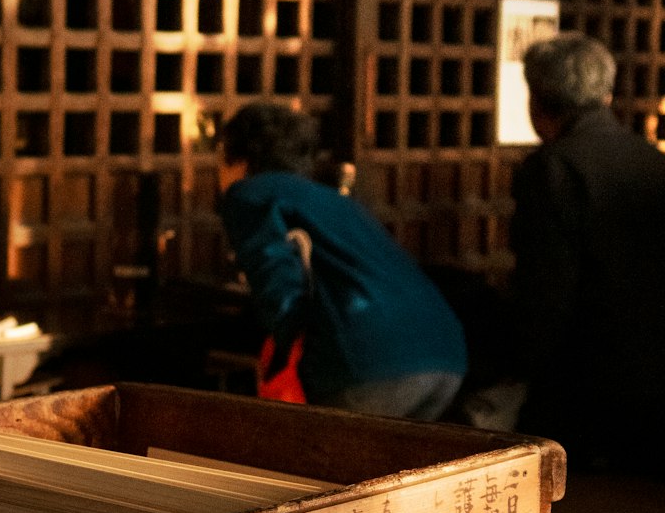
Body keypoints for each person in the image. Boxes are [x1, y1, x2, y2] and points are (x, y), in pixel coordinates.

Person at [218, 102, 467, 420]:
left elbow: (276, 276)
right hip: (444, 353)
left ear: (236, 156)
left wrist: (285, 353)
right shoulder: (331, 199)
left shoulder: (250, 192)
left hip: (367, 362)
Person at [506, 31, 665, 472]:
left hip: (587, 381)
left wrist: (521, 365)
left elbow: (547, 287)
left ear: (538, 101)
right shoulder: (652, 160)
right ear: (607, 94)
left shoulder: (553, 168)